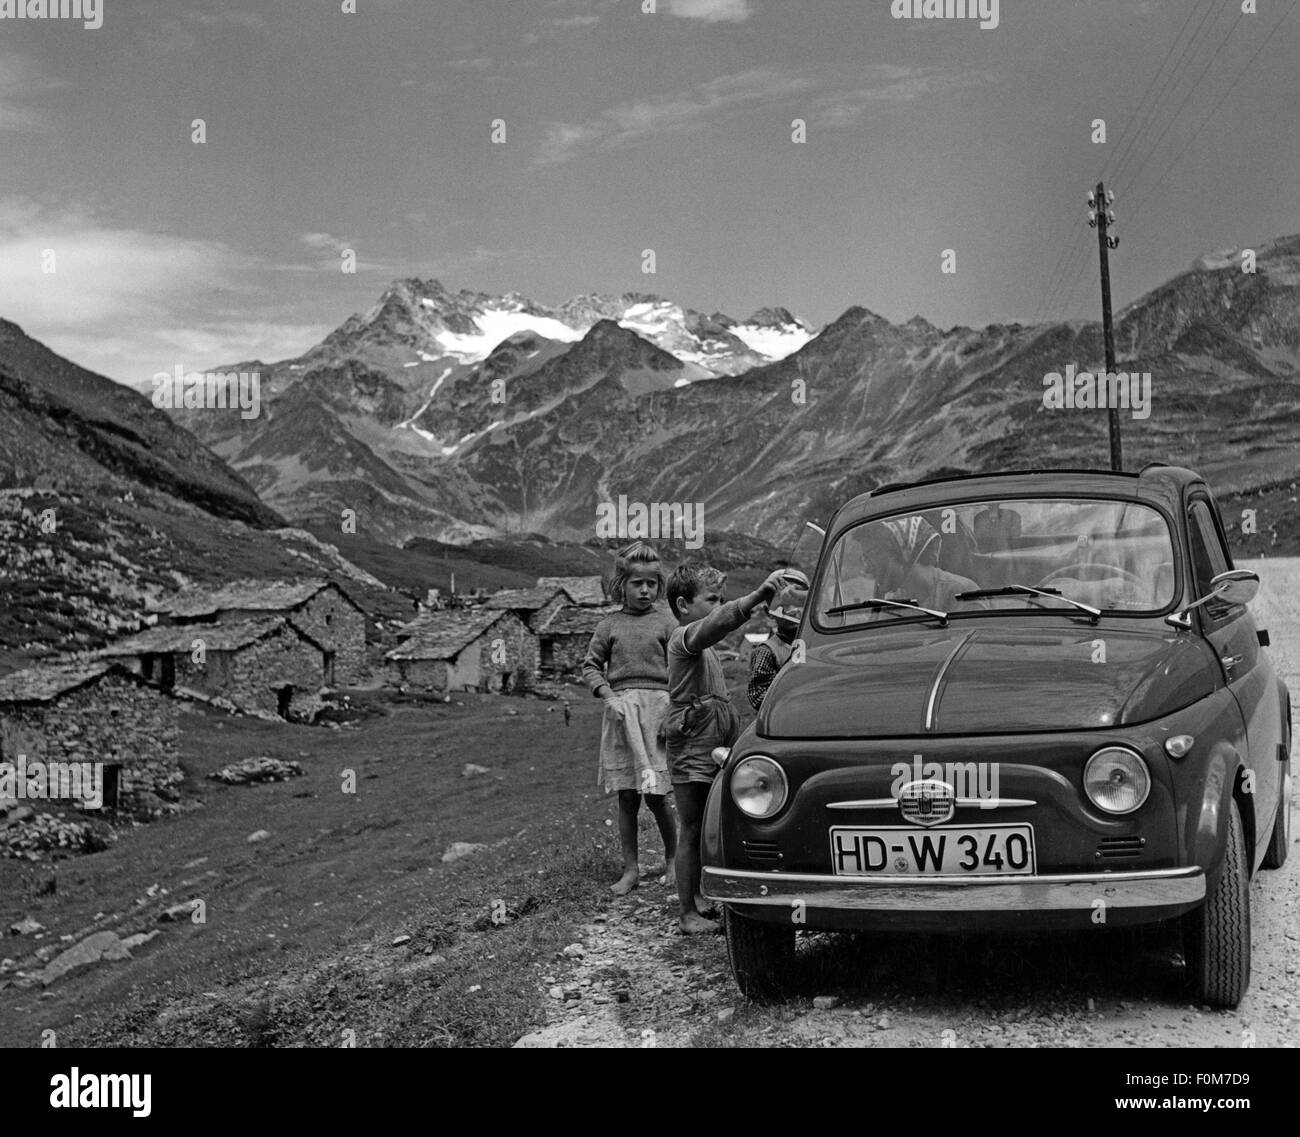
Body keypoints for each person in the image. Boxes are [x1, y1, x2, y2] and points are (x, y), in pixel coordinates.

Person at [665, 563, 787, 934]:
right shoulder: (684, 639)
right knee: (690, 826)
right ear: (684, 605)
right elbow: (718, 623)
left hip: (715, 740)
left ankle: (701, 896)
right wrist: (755, 598)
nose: (719, 606)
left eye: (722, 599)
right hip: (690, 746)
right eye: (712, 600)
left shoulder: (707, 651)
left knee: (707, 823)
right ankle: (686, 913)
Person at [581, 541, 678, 896]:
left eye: (652, 583)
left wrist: (676, 708)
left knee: (656, 795)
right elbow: (591, 666)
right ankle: (631, 870)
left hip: (657, 716)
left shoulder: (668, 622)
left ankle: (672, 859)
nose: (645, 590)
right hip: (622, 716)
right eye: (638, 583)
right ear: (622, 583)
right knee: (627, 797)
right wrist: (607, 695)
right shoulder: (609, 625)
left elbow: (682, 667)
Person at [747, 569, 809, 710]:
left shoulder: (816, 643)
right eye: (784, 605)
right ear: (768, 612)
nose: (793, 610)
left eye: (799, 602)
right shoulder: (766, 652)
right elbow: (757, 696)